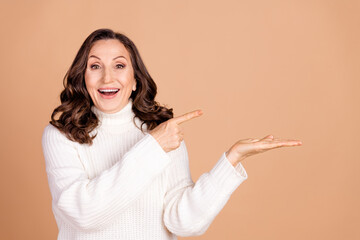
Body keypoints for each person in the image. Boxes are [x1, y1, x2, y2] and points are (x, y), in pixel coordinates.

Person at [42, 28, 302, 240]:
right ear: (82, 78)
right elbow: (84, 213)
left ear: (135, 81)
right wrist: (152, 148)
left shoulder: (163, 132)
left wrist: (231, 160)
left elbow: (184, 222)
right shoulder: (61, 135)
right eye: (95, 66)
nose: (107, 77)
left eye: (119, 66)